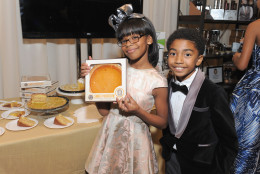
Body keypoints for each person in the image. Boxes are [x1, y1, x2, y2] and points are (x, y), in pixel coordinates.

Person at [81, 4, 168, 174]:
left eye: (135, 37)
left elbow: (163, 122)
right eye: (124, 40)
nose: (129, 44)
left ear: (149, 39)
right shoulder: (116, 70)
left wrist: (138, 111)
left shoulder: (157, 81)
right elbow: (105, 112)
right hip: (109, 139)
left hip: (137, 144)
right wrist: (92, 80)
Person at [159, 28, 238, 174]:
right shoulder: (164, 85)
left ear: (199, 59)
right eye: (173, 53)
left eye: (187, 54)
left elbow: (229, 140)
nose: (178, 60)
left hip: (202, 165)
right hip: (172, 159)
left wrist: (220, 169)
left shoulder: (213, 92)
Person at [230, 0, 260, 173]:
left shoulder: (255, 26)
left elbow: (242, 64)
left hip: (255, 91)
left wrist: (236, 56)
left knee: (246, 146)